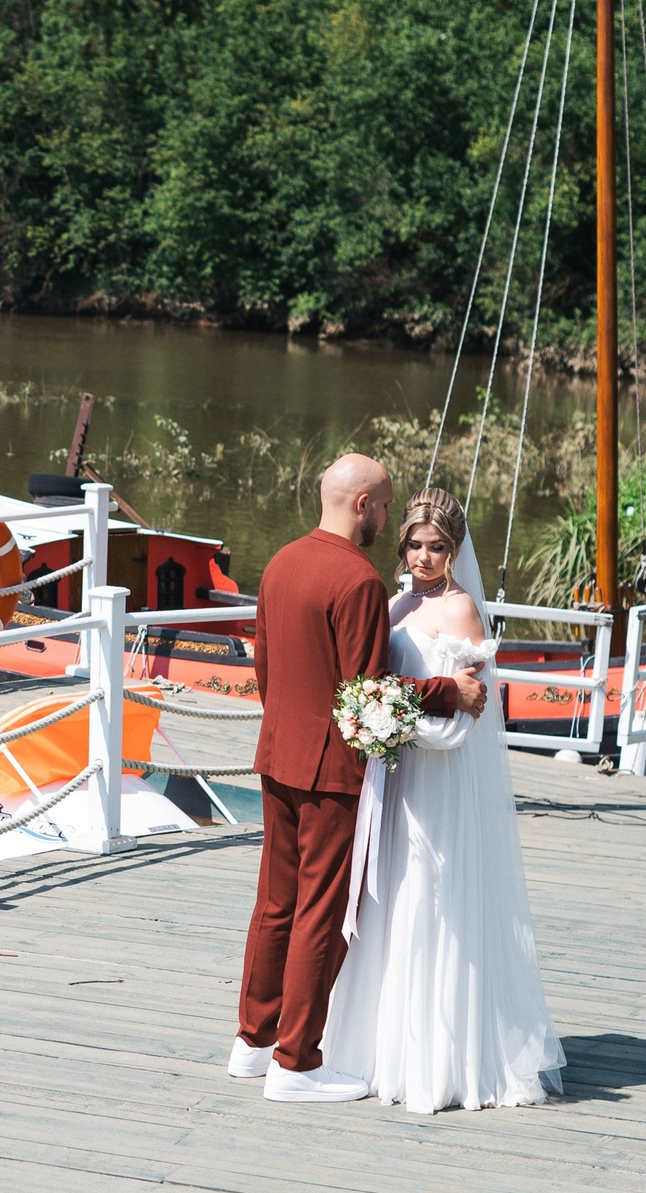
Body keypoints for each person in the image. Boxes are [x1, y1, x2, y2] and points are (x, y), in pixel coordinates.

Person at [234, 455, 486, 1104]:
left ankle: (253, 1041)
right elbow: (368, 693)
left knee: (275, 903)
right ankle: (297, 1061)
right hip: (329, 770)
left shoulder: (280, 562)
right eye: (385, 507)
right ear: (365, 504)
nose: (387, 521)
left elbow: (267, 667)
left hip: (278, 753)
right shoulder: (358, 582)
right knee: (320, 909)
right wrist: (448, 691)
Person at [321, 489, 568, 1111]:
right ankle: (380, 1050)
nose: (423, 557)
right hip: (399, 779)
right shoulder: (397, 602)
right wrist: (379, 718)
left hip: (439, 783)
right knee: (391, 898)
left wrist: (392, 721)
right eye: (413, 545)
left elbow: (467, 717)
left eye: (436, 548)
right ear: (400, 545)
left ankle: (442, 1061)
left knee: (433, 902)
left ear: (455, 552)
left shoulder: (461, 612)